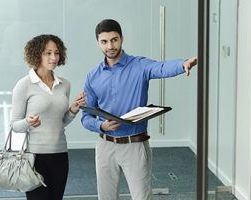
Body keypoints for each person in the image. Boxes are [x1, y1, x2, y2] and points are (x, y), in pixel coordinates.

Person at [80, 19, 197, 200]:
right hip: (105, 147)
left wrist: (182, 65)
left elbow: (160, 67)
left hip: (134, 145)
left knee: (141, 197)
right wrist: (101, 126)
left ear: (122, 39)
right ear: (98, 43)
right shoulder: (92, 76)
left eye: (114, 39)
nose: (110, 46)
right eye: (104, 41)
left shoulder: (139, 65)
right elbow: (86, 116)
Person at [10, 34, 86, 200]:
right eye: (48, 53)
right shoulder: (24, 85)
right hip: (34, 158)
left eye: (57, 53)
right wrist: (27, 122)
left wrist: (73, 109)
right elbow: (15, 125)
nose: (54, 57)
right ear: (37, 54)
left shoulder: (65, 84)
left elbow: (61, 122)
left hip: (60, 155)